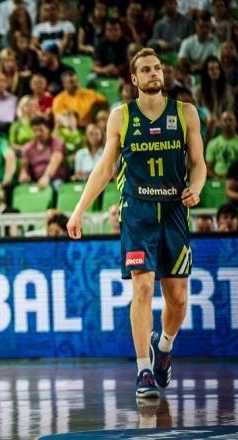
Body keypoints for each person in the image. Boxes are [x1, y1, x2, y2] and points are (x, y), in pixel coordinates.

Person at [66, 48, 207, 399]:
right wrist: (79, 209)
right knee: (142, 288)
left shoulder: (186, 112)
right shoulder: (120, 117)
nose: (154, 73)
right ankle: (143, 368)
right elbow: (104, 168)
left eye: (158, 68)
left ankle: (165, 346)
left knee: (176, 298)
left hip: (174, 209)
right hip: (137, 211)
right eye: (146, 69)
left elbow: (199, 162)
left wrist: (198, 187)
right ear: (134, 79)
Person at [206, 111, 238, 179]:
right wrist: (216, 177)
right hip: (216, 180)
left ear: (236, 123)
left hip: (237, 180)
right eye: (225, 120)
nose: (228, 123)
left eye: (230, 120)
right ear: (220, 124)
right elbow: (208, 168)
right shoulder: (212, 143)